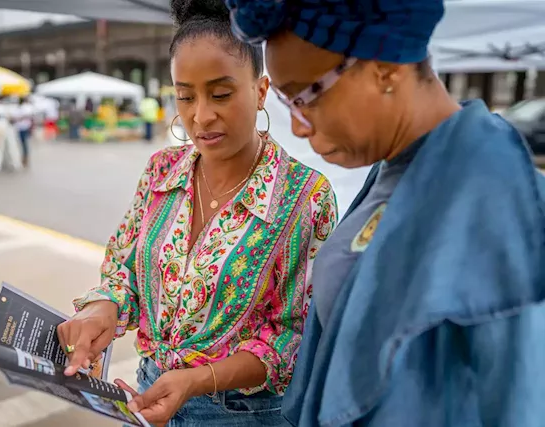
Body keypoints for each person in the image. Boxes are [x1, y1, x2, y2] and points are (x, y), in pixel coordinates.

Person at [225, 1, 545, 426]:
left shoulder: (500, 210)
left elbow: (517, 405)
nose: (298, 126)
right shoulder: (397, 169)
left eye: (305, 96)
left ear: (385, 69)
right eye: (286, 103)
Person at [57, 0, 338, 425]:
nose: (201, 116)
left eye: (221, 94)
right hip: (151, 393)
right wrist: (103, 308)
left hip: (244, 414)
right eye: (185, 96)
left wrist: (197, 380)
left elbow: (296, 340)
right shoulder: (161, 171)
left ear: (260, 91)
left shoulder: (305, 197)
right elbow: (125, 271)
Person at [12, 97, 34, 167]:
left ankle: (25, 158)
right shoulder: (17, 108)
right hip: (19, 128)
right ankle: (22, 158)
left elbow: (29, 116)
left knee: (24, 144)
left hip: (24, 128)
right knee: (21, 144)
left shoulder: (26, 108)